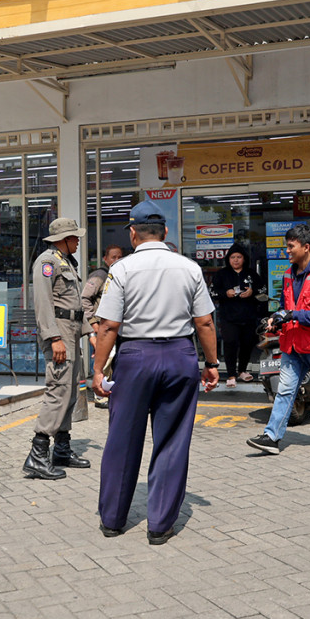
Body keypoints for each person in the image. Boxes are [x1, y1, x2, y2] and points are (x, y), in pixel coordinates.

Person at [91, 199, 219, 545]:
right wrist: (211, 364)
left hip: (135, 357)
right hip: (179, 355)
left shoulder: (122, 269)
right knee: (172, 440)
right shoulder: (189, 268)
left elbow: (108, 326)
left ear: (133, 233)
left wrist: (98, 370)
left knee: (122, 439)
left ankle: (113, 519)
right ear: (165, 232)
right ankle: (160, 524)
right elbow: (205, 322)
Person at [247, 224, 310, 455]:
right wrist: (276, 319)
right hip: (292, 344)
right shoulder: (287, 275)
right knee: (284, 391)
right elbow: (286, 307)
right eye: (287, 246)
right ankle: (272, 437)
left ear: (306, 247)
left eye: (291, 246)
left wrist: (293, 315)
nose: (287, 251)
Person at [25, 217, 93, 480]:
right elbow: (43, 304)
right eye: (75, 237)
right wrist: (54, 338)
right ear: (63, 239)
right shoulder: (47, 262)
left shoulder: (66, 262)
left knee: (71, 390)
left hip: (71, 331)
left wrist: (89, 332)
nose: (78, 241)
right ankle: (37, 454)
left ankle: (62, 449)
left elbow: (74, 305)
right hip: (59, 332)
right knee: (58, 390)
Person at [212, 243, 264, 388]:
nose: (236, 260)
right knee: (230, 343)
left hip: (248, 316)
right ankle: (231, 375)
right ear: (228, 259)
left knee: (247, 344)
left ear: (244, 259)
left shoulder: (251, 274)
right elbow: (212, 292)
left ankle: (242, 370)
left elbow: (263, 289)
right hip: (228, 317)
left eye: (239, 257)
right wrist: (225, 293)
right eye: (233, 257)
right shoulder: (222, 274)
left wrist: (252, 292)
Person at [82, 245, 125, 408]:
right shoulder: (99, 276)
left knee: (113, 360)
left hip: (116, 327)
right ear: (105, 259)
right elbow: (84, 299)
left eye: (119, 256)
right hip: (103, 328)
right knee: (105, 360)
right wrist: (93, 323)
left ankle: (109, 392)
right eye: (113, 257)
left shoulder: (119, 274)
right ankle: (100, 396)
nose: (117, 260)